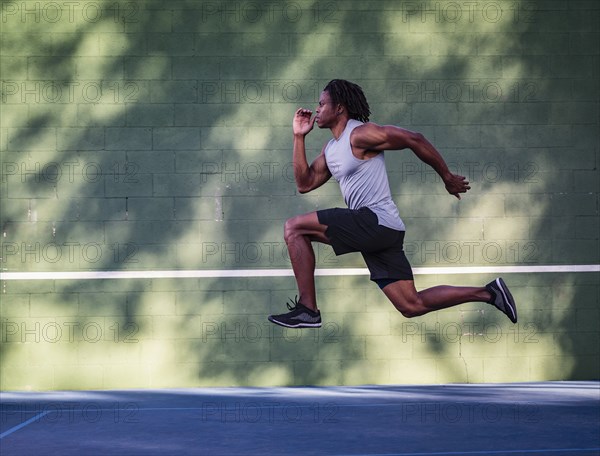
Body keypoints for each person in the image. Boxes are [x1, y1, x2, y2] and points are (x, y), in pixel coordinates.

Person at [268, 79, 517, 329]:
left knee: (294, 228)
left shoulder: (361, 134)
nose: (317, 109)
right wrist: (298, 137)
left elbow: (414, 139)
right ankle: (489, 293)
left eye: (322, 104)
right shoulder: (331, 149)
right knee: (411, 305)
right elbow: (305, 183)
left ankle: (308, 308)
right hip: (383, 229)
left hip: (374, 221)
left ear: (340, 108)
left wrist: (447, 177)